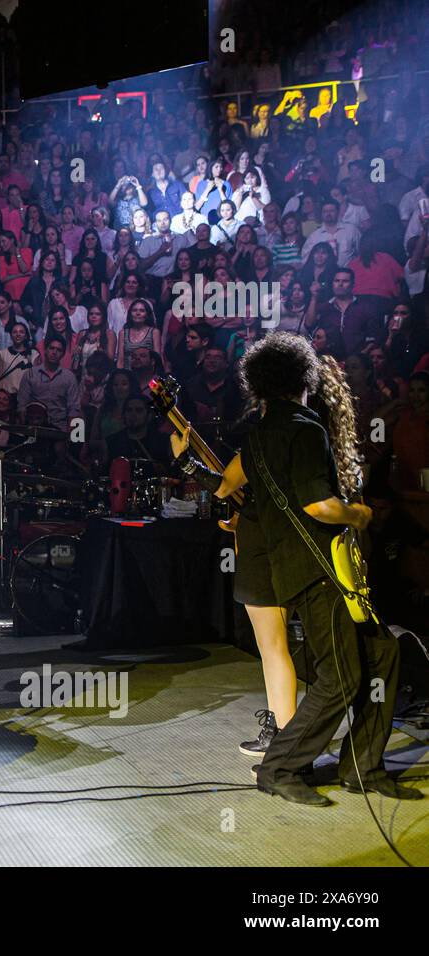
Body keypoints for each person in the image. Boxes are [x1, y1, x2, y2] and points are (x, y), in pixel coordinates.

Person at [217, 334, 407, 805]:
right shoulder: (306, 428)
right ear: (305, 378)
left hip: (294, 568)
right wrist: (357, 514)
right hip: (322, 568)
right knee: (340, 677)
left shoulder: (257, 437)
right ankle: (280, 766)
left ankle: (361, 767)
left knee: (383, 654)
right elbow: (318, 506)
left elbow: (226, 489)